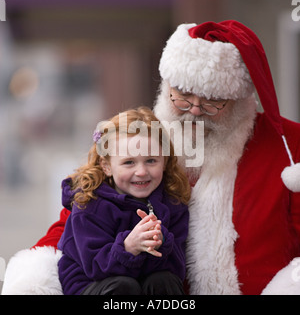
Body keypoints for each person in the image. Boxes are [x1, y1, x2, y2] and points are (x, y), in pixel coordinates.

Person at [2, 20, 300, 295]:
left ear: (238, 99)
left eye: (212, 103)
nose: (194, 111)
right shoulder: (143, 139)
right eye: (182, 96)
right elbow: (79, 219)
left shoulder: (288, 145)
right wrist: (33, 277)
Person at [57, 107, 190, 295]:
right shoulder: (90, 204)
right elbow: (94, 267)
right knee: (123, 287)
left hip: (146, 278)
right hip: (92, 282)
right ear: (107, 166)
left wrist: (162, 243)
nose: (142, 171)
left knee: (164, 280)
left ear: (165, 161)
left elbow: (179, 270)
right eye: (129, 162)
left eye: (151, 160)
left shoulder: (173, 202)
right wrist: (128, 247)